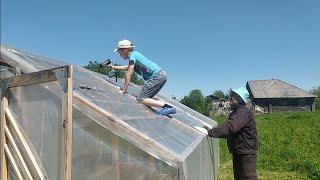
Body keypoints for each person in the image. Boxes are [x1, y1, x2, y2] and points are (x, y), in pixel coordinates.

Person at [109, 39, 176, 115]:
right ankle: (163, 106)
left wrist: (124, 90)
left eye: (119, 52)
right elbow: (128, 67)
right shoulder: (135, 56)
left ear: (125, 50)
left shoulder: (132, 56)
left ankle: (167, 107)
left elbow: (129, 73)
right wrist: (114, 67)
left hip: (156, 76)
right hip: (161, 75)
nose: (119, 55)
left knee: (140, 98)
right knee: (147, 97)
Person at [204, 87, 259, 180]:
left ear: (239, 98)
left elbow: (230, 127)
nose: (229, 99)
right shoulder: (238, 111)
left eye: (232, 97)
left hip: (246, 153)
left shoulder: (243, 112)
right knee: (239, 177)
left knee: (248, 177)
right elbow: (232, 130)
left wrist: (211, 132)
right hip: (240, 151)